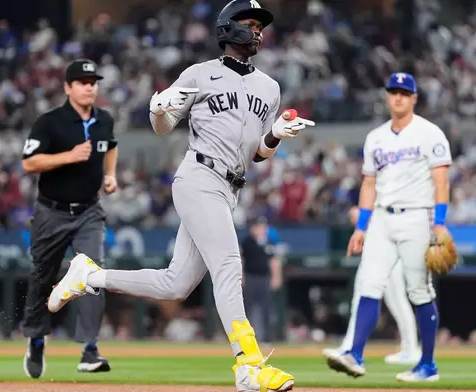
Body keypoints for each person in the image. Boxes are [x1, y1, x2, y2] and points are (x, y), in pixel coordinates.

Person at [47, 1, 314, 391]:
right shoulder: (199, 74)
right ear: (228, 27)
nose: (257, 30)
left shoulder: (269, 88)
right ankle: (249, 365)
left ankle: (89, 274)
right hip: (199, 176)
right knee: (227, 266)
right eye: (250, 23)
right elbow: (163, 124)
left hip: (229, 187)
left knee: (175, 284)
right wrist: (157, 109)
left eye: (260, 25)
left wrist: (275, 135)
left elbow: (257, 153)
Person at [331, 72, 451, 382]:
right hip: (382, 218)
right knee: (369, 284)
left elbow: (441, 182)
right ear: (387, 97)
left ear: (414, 98)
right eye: (393, 92)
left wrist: (439, 224)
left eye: (403, 92)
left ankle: (427, 365)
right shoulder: (375, 137)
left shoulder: (430, 133)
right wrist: (361, 228)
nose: (397, 97)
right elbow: (369, 185)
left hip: (417, 217)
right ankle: (354, 354)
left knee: (419, 291)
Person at [21, 58, 119, 378]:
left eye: (93, 81)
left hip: (89, 211)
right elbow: (29, 163)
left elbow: (111, 147)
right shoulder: (50, 121)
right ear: (67, 87)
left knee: (92, 275)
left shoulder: (104, 119)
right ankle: (37, 337)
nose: (89, 86)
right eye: (82, 81)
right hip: (52, 211)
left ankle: (89, 348)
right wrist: (69, 156)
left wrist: (110, 174)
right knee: (42, 277)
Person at [323, 206, 420, 367]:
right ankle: (349, 345)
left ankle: (411, 349)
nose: (353, 219)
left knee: (397, 302)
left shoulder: (384, 203)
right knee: (362, 298)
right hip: (378, 254)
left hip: (391, 255)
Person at [241, 216, 283, 343]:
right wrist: (241, 277)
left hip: (264, 278)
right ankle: (247, 339)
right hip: (251, 277)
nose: (260, 229)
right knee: (248, 308)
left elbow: (274, 261)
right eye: (258, 227)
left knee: (266, 308)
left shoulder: (270, 242)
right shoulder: (247, 242)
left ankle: (267, 338)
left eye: (262, 227)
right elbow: (241, 260)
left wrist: (276, 277)